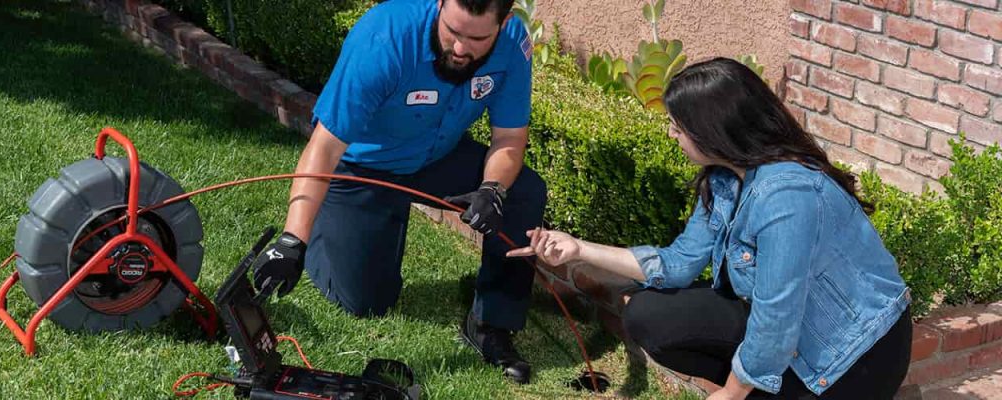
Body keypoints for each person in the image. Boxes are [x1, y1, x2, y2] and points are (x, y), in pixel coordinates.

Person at [507, 58, 912, 399]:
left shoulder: (786, 197)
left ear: (714, 130)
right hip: (792, 334)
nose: (671, 134)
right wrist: (577, 248)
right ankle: (763, 384)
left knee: (755, 360)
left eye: (678, 127)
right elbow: (679, 262)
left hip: (852, 356)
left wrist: (731, 393)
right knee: (650, 315)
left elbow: (777, 319)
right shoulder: (726, 177)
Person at [250, 0, 545, 384]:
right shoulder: (384, 37)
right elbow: (324, 146)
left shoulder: (513, 42)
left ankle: (490, 323)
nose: (459, 48)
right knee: (366, 302)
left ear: (504, 22)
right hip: (364, 166)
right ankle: (327, 231)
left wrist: (492, 189)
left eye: (476, 38)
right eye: (452, 32)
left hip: (438, 153)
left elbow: (509, 138)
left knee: (523, 190)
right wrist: (292, 240)